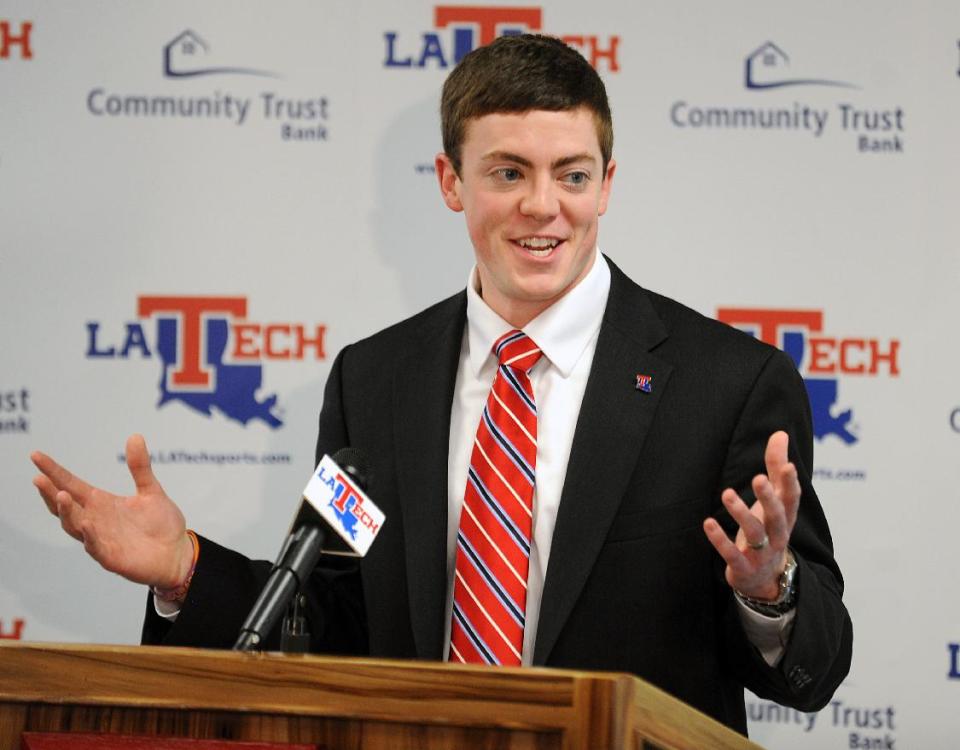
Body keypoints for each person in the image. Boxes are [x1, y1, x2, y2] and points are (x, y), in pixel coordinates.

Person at [31, 34, 851, 734]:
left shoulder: (728, 384)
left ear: (607, 183)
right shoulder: (376, 379)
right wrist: (184, 567)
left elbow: (813, 671)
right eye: (507, 173)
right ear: (451, 182)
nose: (543, 207)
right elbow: (332, 616)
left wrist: (769, 591)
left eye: (571, 175)